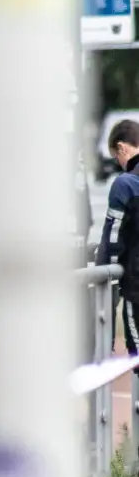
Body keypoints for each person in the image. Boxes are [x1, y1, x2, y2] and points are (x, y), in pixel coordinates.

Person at [98, 119, 139, 365]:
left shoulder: (126, 184)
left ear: (122, 148)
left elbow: (112, 238)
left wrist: (102, 271)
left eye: (116, 157)